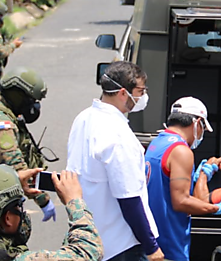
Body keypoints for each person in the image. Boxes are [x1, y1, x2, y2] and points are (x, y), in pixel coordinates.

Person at [67, 61, 163, 261]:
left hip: (88, 240)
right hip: (121, 246)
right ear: (122, 93)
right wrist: (151, 246)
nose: (142, 97)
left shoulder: (83, 118)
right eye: (140, 91)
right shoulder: (118, 134)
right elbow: (129, 198)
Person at [0, 163, 103, 261]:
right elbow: (88, 251)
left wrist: (13, 181)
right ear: (8, 218)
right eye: (18, 206)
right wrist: (74, 201)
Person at [145, 97, 221, 261]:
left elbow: (164, 183)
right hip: (169, 243)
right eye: (203, 129)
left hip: (153, 240)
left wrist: (197, 178)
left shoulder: (157, 143)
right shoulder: (181, 151)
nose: (201, 135)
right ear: (197, 123)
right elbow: (181, 201)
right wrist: (214, 208)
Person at [0, 66, 56, 223]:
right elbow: (16, 167)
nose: (33, 105)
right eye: (31, 100)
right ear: (18, 95)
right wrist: (43, 200)